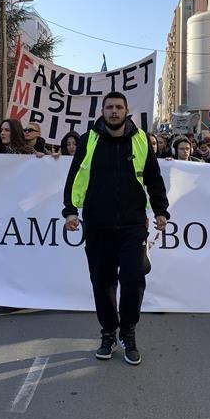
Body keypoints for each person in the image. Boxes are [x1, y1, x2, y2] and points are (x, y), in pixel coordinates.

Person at [63, 91, 170, 366]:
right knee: (102, 282)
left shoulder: (141, 140)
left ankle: (129, 331)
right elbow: (75, 176)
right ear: (102, 111)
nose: (113, 112)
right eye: (109, 107)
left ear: (126, 110)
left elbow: (153, 178)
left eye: (118, 107)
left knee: (133, 279)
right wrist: (71, 211)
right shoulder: (89, 140)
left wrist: (160, 210)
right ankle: (109, 332)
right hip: (98, 224)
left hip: (133, 224)